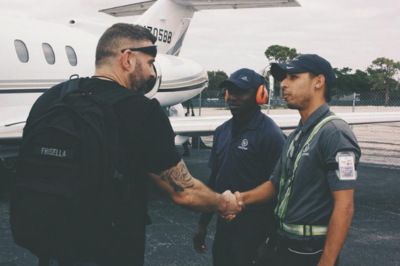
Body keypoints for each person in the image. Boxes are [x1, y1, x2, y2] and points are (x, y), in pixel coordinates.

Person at [22, 23, 241, 266]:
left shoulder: (50, 99)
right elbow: (184, 191)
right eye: (149, 63)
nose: (151, 74)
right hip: (109, 251)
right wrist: (224, 202)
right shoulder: (142, 111)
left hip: (51, 246)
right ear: (127, 59)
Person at [233, 55, 361, 266]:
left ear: (318, 82)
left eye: (293, 77)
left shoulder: (335, 133)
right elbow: (275, 186)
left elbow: (344, 206)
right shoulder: (296, 135)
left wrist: (326, 263)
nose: (283, 84)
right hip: (284, 245)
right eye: (284, 78)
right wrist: (239, 199)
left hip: (310, 252)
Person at [193, 68, 286, 266]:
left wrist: (270, 241)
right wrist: (203, 224)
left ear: (260, 95)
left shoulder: (271, 135)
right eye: (230, 91)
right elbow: (215, 181)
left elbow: (280, 190)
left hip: (256, 231)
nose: (233, 97)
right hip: (225, 229)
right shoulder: (221, 132)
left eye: (241, 92)